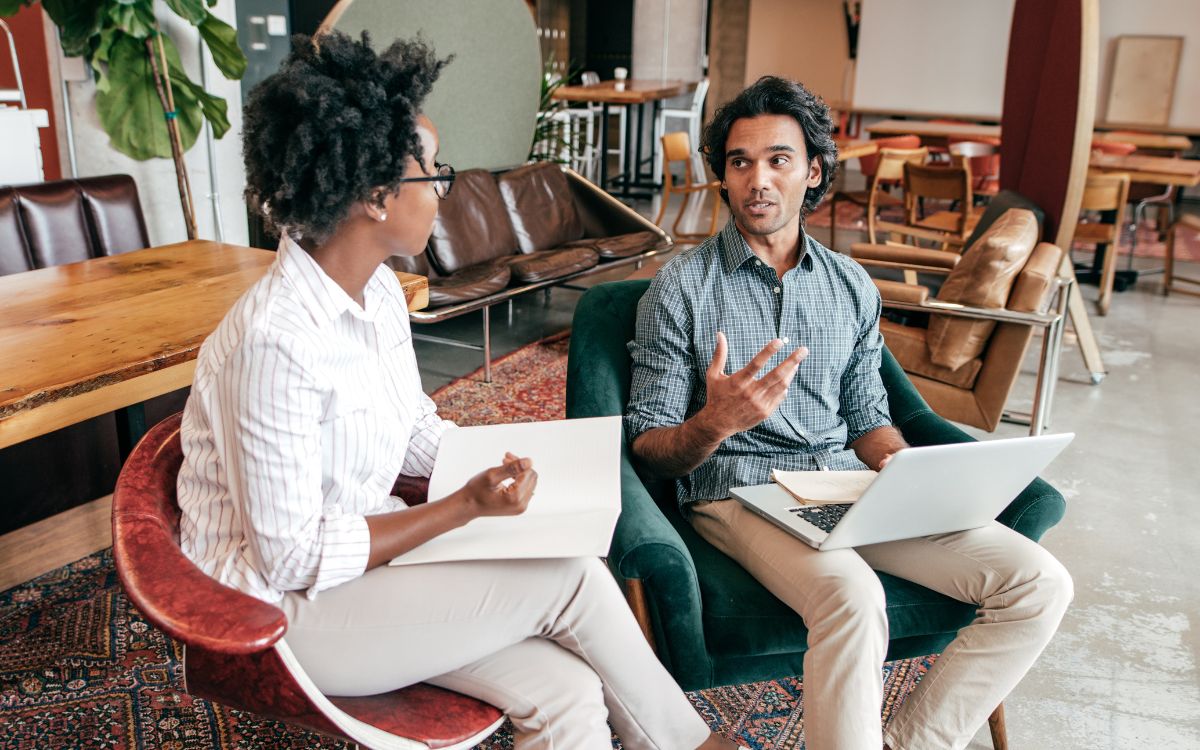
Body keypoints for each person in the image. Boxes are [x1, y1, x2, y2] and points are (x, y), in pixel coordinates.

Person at [176, 31, 741, 750]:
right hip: (282, 614)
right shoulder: (276, 342)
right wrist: (461, 509)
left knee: (566, 692)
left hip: (366, 577)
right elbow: (292, 559)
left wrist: (508, 469)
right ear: (377, 196)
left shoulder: (377, 292)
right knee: (568, 577)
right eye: (432, 170)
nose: (444, 185)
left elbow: (413, 425)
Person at [625, 76, 1073, 750]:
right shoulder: (681, 289)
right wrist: (715, 422)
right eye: (740, 161)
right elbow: (649, 448)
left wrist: (901, 466)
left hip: (846, 487)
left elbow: (868, 415)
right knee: (853, 597)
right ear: (723, 176)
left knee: (1039, 582)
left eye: (779, 159)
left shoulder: (850, 285)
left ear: (813, 171)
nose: (758, 180)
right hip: (738, 492)